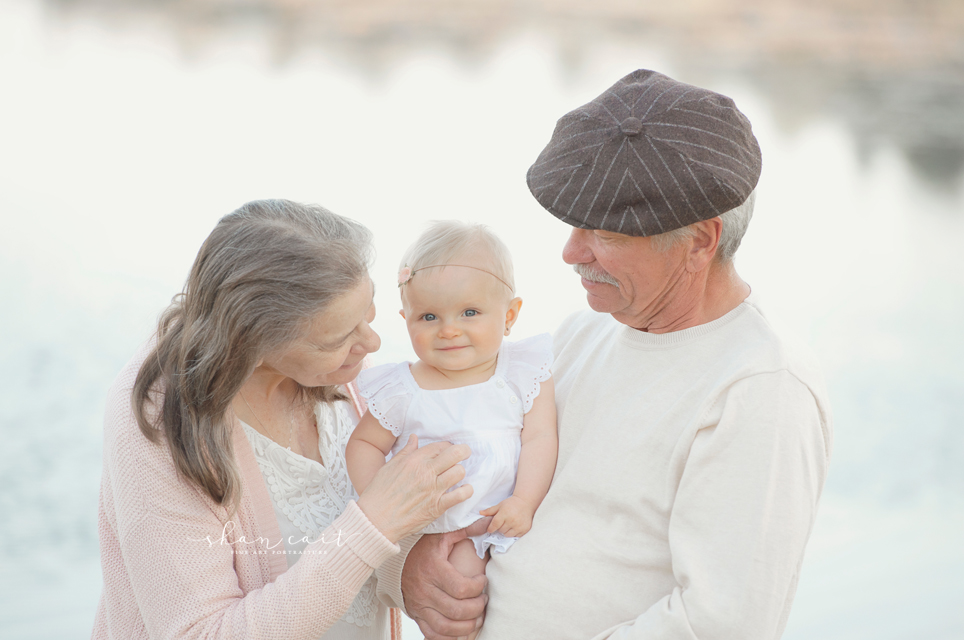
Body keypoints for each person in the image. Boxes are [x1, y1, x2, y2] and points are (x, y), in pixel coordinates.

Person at [391, 69, 834, 639]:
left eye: (607, 234)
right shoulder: (582, 334)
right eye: (576, 223)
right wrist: (416, 560)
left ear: (701, 240)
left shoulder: (761, 388)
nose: (571, 251)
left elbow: (721, 624)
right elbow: (477, 467)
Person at [92, 199, 474, 640]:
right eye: (339, 337)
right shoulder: (158, 419)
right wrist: (375, 525)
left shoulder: (342, 374)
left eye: (366, 316)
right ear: (252, 344)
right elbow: (200, 633)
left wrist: (408, 572)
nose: (371, 343)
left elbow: (347, 540)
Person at [346, 221, 558, 639]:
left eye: (470, 312)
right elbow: (365, 444)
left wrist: (523, 500)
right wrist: (388, 506)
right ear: (405, 319)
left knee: (537, 598)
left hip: (515, 511)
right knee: (459, 603)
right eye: (428, 316)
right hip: (449, 529)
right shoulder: (403, 388)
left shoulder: (521, 371)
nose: (448, 328)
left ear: (509, 315)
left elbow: (539, 438)